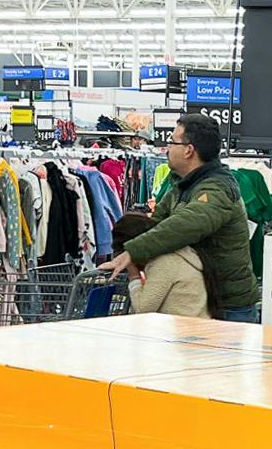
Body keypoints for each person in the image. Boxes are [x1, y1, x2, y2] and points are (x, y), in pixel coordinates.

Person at [109, 113, 261, 323]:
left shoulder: (217, 189)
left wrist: (133, 251)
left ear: (189, 150)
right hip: (207, 301)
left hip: (229, 307)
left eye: (172, 142)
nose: (167, 148)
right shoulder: (183, 185)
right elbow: (156, 224)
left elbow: (186, 224)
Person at [110, 212, 208, 317]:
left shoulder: (164, 262)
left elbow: (142, 309)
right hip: (194, 322)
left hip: (181, 325)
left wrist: (134, 275)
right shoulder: (177, 252)